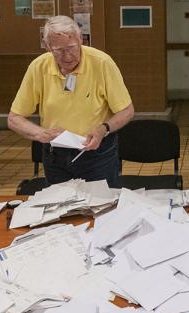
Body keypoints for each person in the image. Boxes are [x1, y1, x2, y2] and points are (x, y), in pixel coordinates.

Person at [7, 15, 135, 187]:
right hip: (55, 156)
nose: (67, 56)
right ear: (47, 47)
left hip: (96, 153)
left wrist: (103, 128)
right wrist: (40, 134)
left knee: (101, 207)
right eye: (59, 50)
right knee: (62, 209)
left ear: (81, 39)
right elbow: (14, 119)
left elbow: (127, 110)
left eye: (72, 48)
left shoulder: (102, 63)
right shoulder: (38, 67)